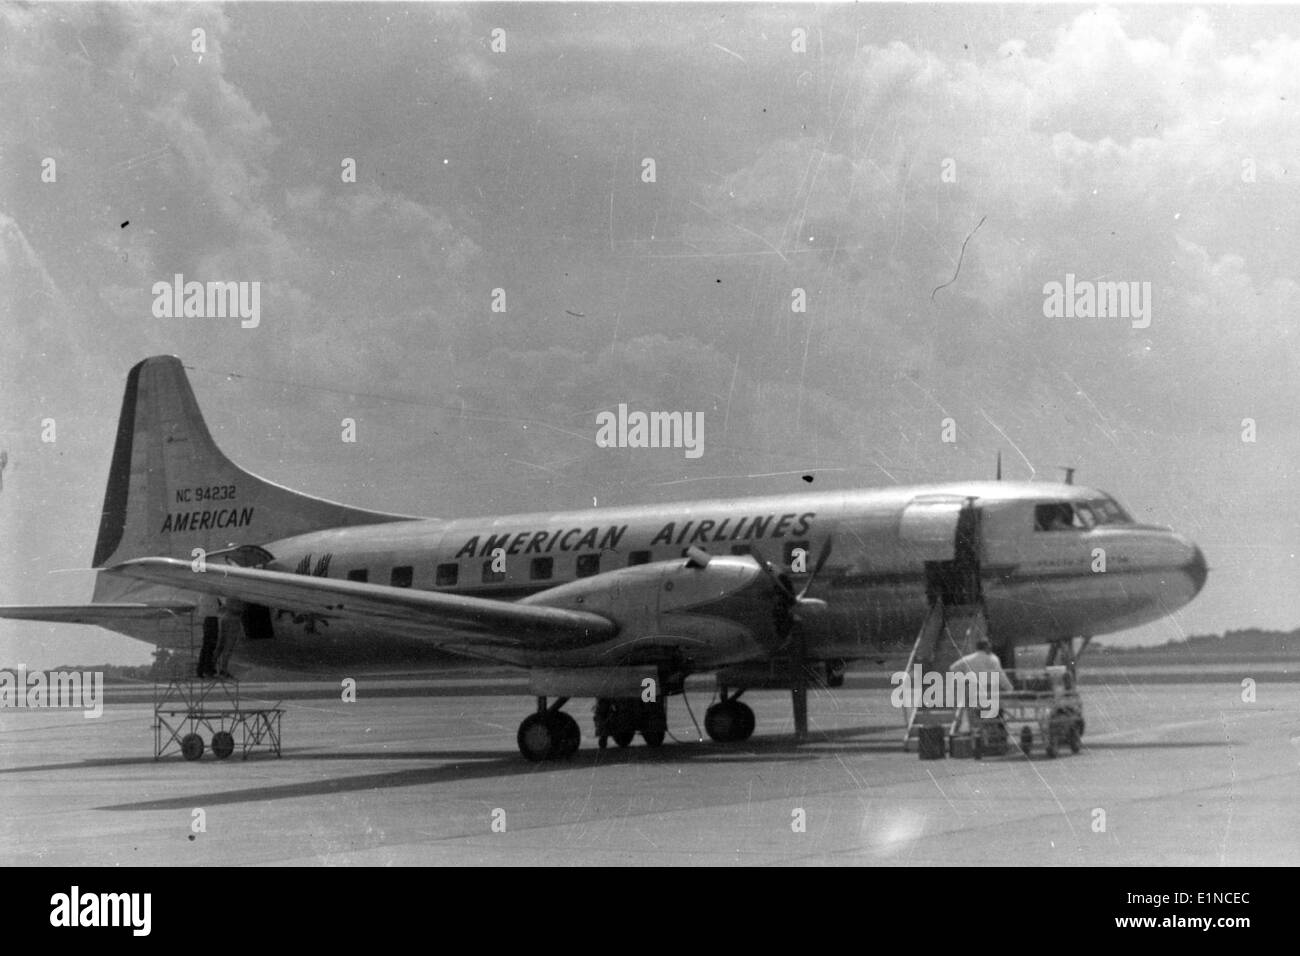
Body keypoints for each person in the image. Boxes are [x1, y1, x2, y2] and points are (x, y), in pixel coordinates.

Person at [214, 598, 245, 679]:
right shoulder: (240, 595)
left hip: (225, 617)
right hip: (233, 620)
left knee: (220, 644)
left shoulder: (229, 595)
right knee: (228, 647)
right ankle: (223, 669)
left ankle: (211, 665)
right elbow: (238, 609)